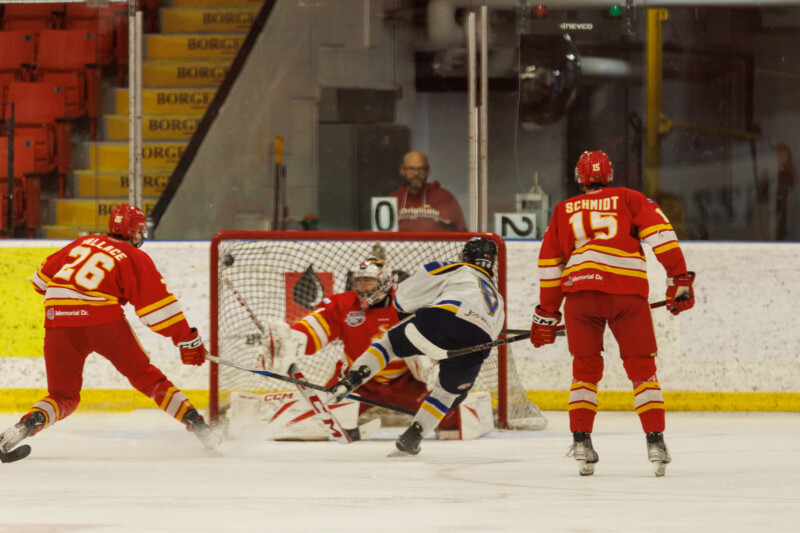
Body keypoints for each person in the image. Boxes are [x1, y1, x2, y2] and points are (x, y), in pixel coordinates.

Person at [0, 204, 220, 459]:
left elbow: (40, 282)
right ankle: (201, 428)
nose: (141, 236)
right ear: (133, 231)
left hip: (58, 320)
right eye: (139, 231)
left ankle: (24, 426)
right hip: (101, 322)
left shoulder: (81, 243)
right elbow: (158, 310)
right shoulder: (133, 256)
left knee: (63, 397)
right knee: (147, 379)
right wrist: (187, 340)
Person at [528, 151, 696, 477]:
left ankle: (581, 442)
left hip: (579, 297)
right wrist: (679, 280)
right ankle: (655, 442)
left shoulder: (563, 210)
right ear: (610, 174)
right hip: (626, 294)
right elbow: (662, 237)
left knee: (585, 371)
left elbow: (550, 265)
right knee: (642, 369)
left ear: (578, 178)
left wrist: (547, 314)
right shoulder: (630, 198)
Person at [328, 237, 504, 456]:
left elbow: (405, 296)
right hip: (480, 340)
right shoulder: (498, 299)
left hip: (445, 318)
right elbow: (492, 336)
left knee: (390, 344)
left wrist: (408, 316)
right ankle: (413, 437)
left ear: (466, 256)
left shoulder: (457, 267)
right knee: (447, 394)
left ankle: (353, 378)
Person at [266, 254, 461, 431]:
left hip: (404, 382)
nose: (362, 287)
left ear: (385, 284)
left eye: (368, 281)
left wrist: (434, 363)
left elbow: (438, 333)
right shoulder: (343, 305)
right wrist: (291, 340)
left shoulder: (408, 305)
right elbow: (314, 329)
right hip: (356, 381)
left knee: (451, 419)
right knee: (322, 422)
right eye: (359, 282)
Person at [389, 151, 468, 232]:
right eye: (411, 169)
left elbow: (463, 235)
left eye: (421, 169)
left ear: (428, 170)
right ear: (402, 170)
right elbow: (381, 238)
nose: (416, 173)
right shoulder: (392, 200)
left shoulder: (445, 199)